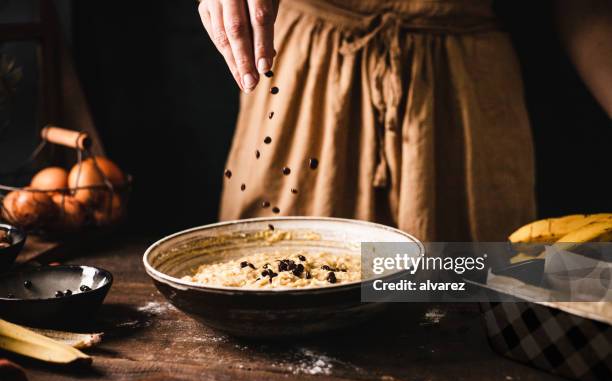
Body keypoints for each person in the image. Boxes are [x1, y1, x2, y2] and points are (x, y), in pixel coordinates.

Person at [197, 0, 612, 241]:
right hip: (306, 89)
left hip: (464, 106)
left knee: (465, 321)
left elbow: (587, 9)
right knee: (274, 299)